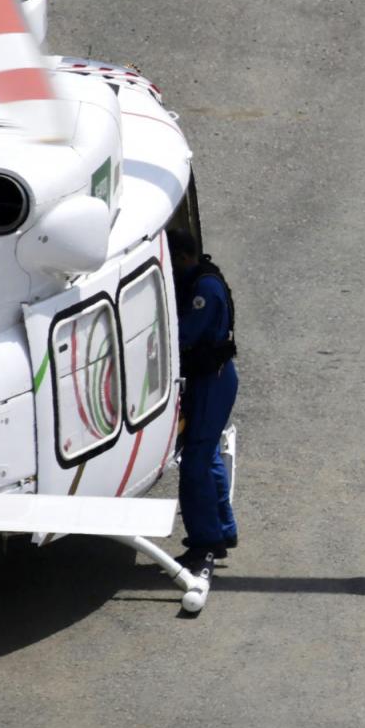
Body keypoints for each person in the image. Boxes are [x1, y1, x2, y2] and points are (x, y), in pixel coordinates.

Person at [169, 229, 238, 569]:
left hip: (213, 380)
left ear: (183, 257)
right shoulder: (202, 281)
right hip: (213, 377)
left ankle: (206, 540)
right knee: (208, 454)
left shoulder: (204, 290)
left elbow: (182, 335)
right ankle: (223, 529)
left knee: (195, 463)